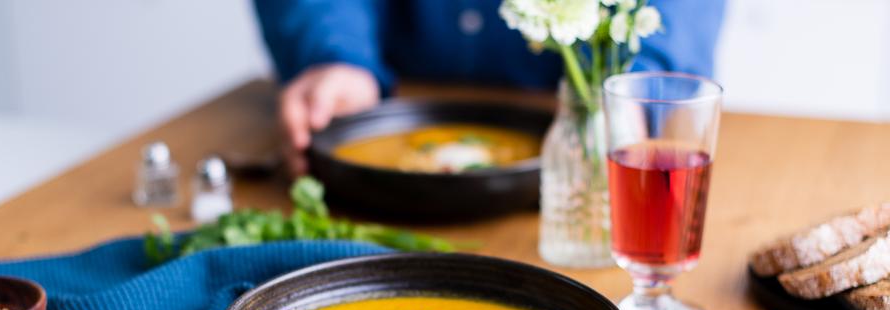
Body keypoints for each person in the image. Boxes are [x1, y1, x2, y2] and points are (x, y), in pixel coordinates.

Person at [254, 1, 726, 175]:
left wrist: (632, 89)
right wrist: (333, 56)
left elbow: (673, 19)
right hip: (386, 120)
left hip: (583, 162)